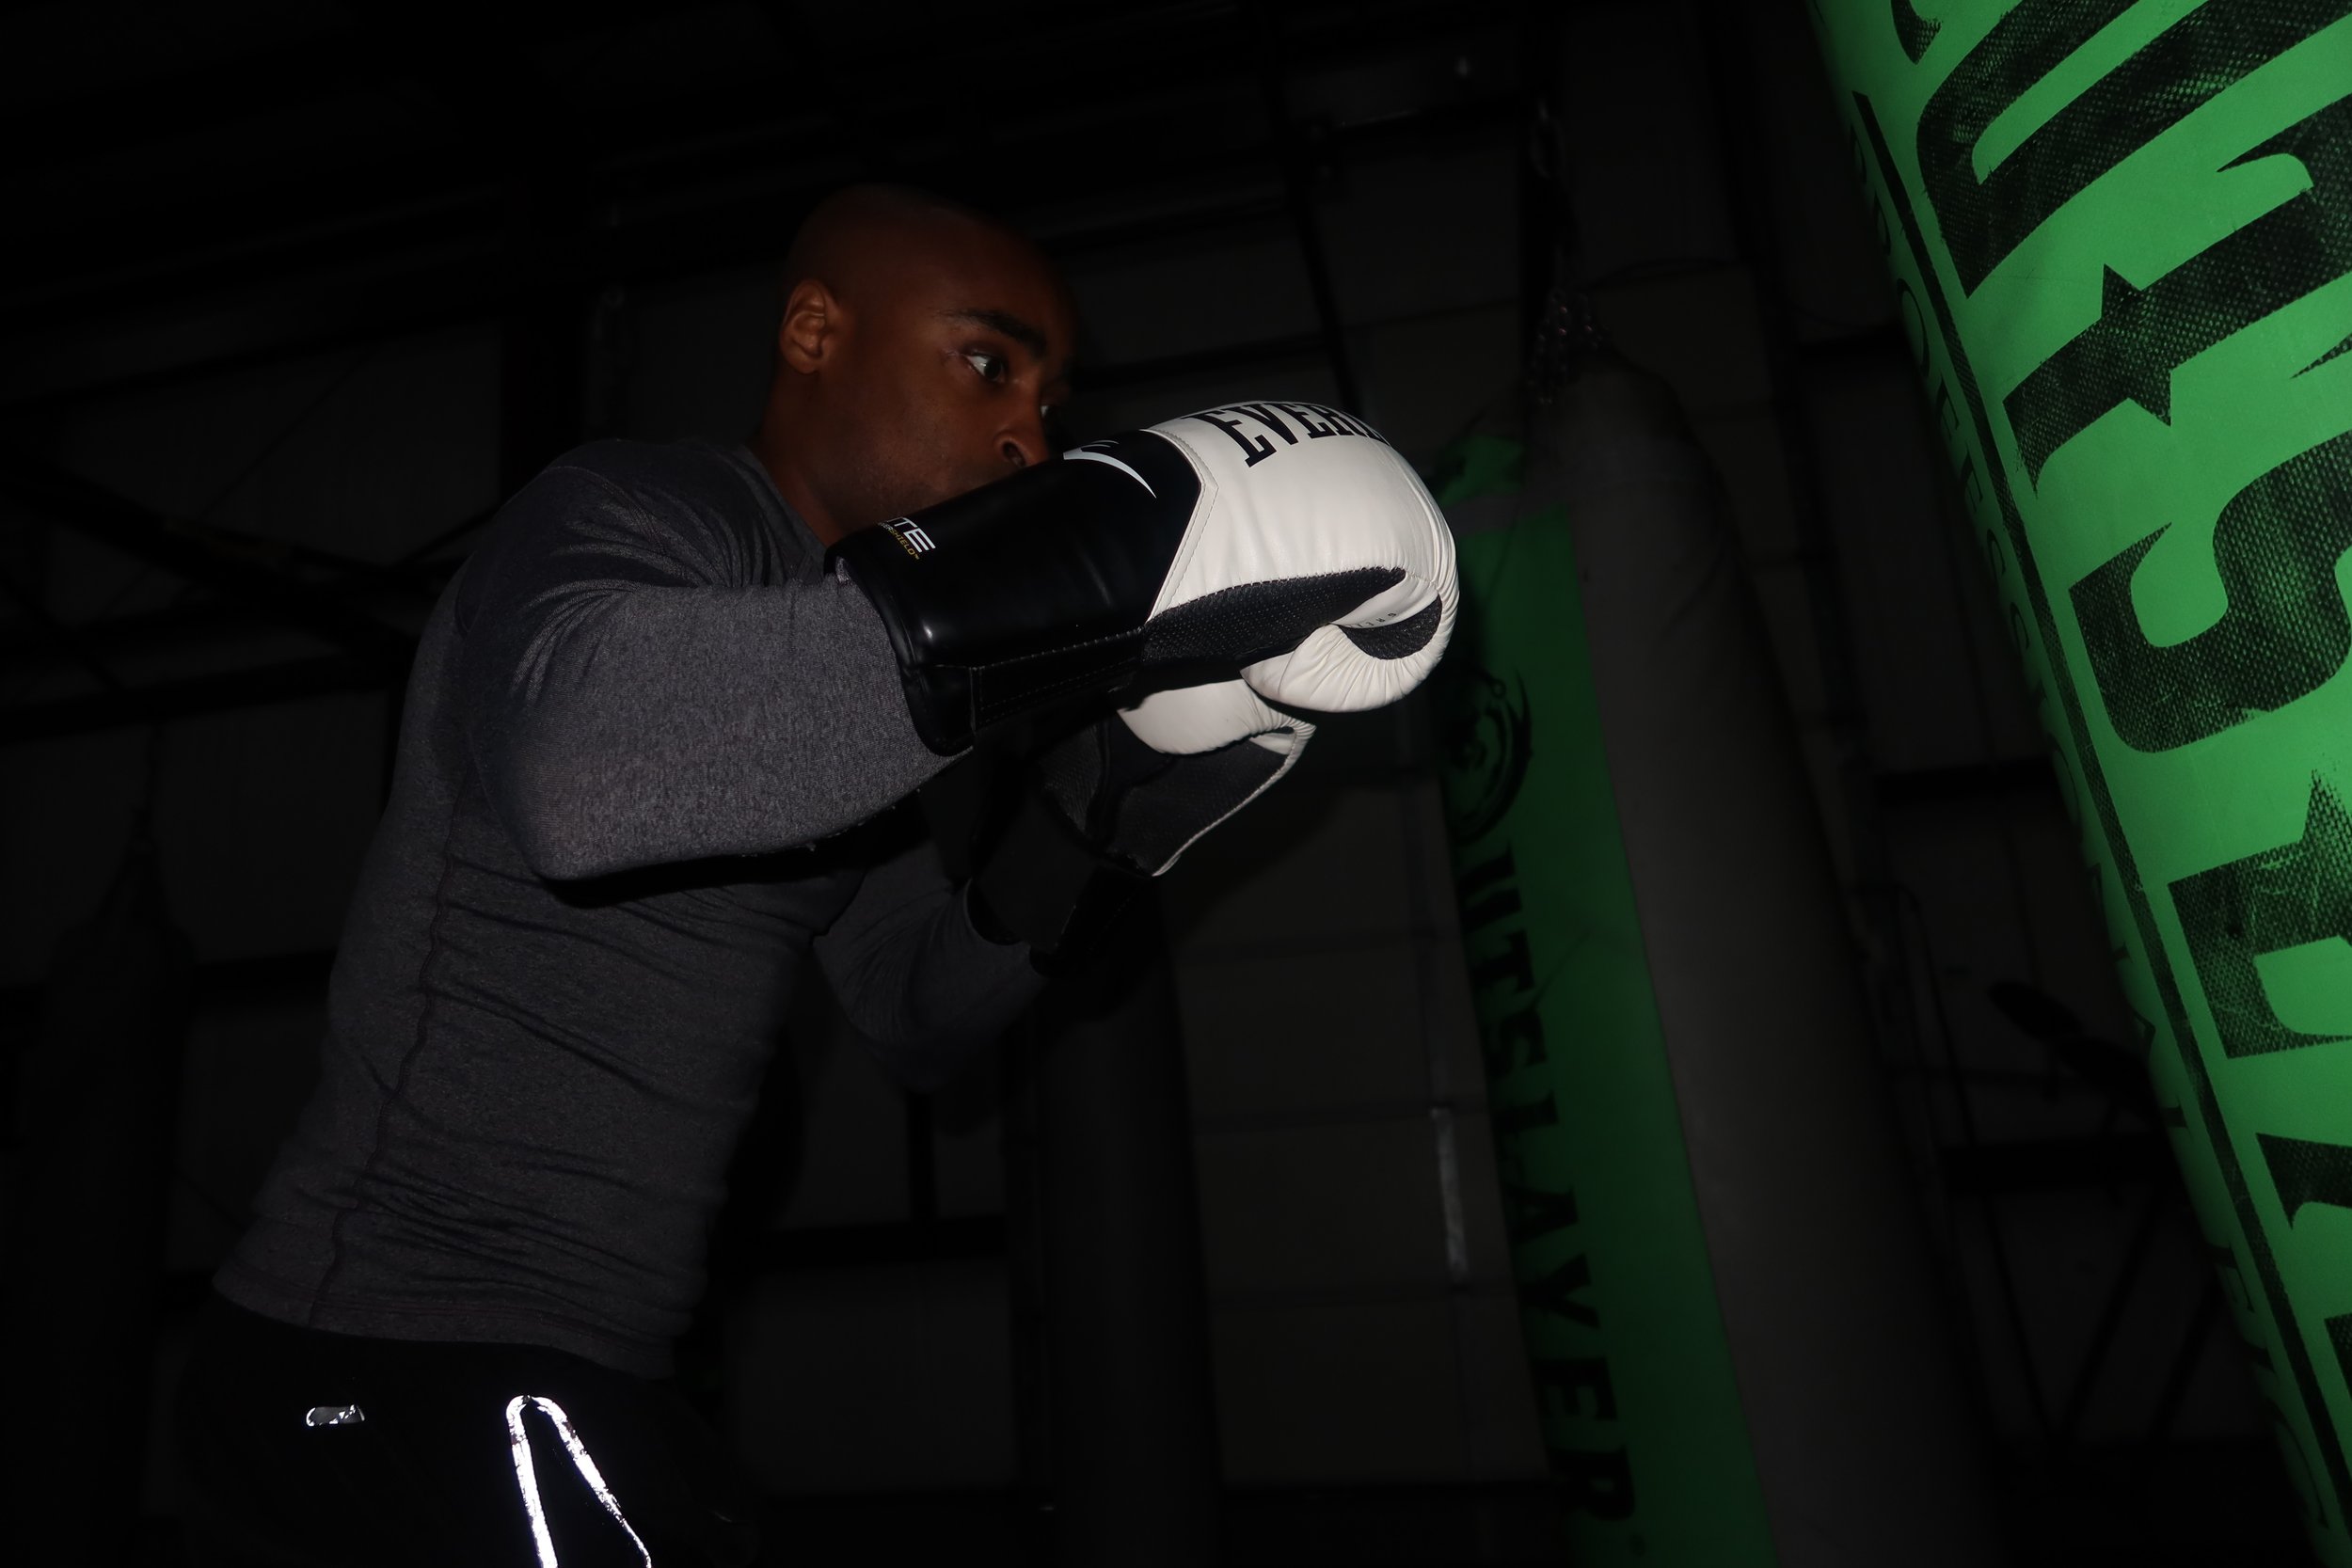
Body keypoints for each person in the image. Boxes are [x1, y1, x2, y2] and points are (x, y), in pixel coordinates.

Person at [173, 184, 1453, 1566]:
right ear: (814, 330)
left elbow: (915, 1004)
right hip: (388, 1347)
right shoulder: (632, 512)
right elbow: (578, 773)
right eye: (987, 361)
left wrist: (1109, 811)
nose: (1031, 430)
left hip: (573, 1368)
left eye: (1050, 395)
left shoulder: (859, 706)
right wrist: (1119, 538)